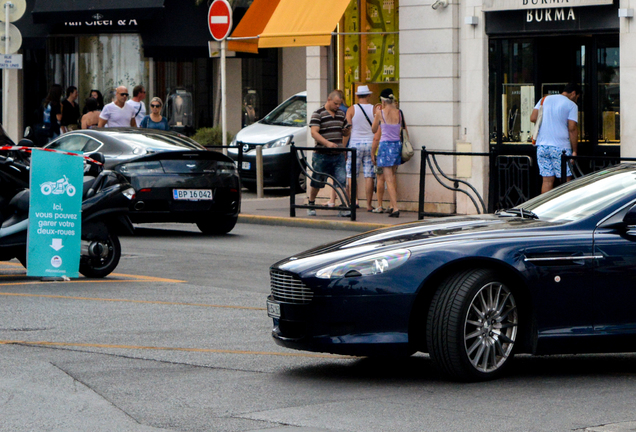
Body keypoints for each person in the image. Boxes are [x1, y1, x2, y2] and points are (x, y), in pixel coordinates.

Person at [530, 83, 581, 194]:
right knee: (565, 180)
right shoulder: (571, 105)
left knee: (547, 181)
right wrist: (575, 150)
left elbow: (533, 118)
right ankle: (564, 208)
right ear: (573, 93)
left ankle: (545, 208)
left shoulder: (544, 99)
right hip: (560, 147)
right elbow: (572, 129)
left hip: (542, 146)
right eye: (577, 97)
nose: (576, 100)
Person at [306, 90, 350, 217]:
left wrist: (347, 131)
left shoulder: (341, 114)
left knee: (341, 180)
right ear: (329, 100)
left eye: (339, 104)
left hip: (338, 154)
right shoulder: (318, 113)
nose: (338, 106)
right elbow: (314, 132)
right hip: (322, 154)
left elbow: (345, 132)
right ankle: (311, 203)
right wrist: (327, 143)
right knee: (317, 180)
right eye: (336, 103)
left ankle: (343, 206)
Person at [371, 88, 404, 218]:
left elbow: (374, 129)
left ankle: (395, 207)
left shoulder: (380, 113)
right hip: (397, 145)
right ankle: (392, 204)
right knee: (393, 176)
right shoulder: (399, 113)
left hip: (385, 146)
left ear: (383, 101)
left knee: (388, 179)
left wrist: (377, 117)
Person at [344, 85, 376, 212]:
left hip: (355, 144)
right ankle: (368, 204)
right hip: (370, 143)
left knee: (352, 174)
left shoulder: (351, 109)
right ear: (368, 95)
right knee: (369, 175)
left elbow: (347, 130)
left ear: (357, 96)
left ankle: (354, 201)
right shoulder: (374, 109)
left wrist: (344, 147)